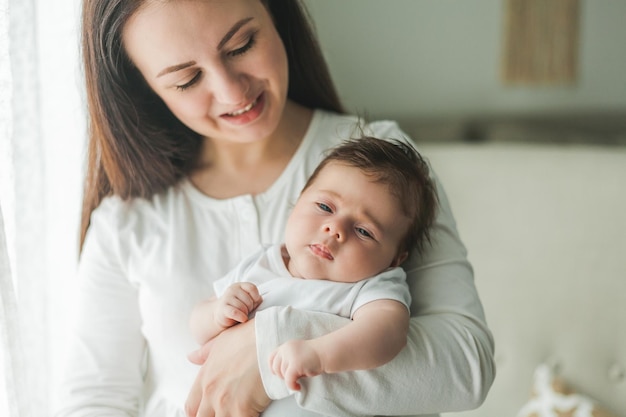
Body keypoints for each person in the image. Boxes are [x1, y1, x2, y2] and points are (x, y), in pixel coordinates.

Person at [55, 1, 496, 417]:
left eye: (241, 45)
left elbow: (466, 364)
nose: (232, 91)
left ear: (274, 12)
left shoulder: (385, 175)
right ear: (146, 89)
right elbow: (95, 399)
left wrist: (271, 357)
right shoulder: (127, 221)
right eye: (187, 79)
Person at [189, 137, 438, 399]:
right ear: (297, 201)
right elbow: (197, 325)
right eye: (324, 207)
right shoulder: (261, 263)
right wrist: (218, 312)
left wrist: (320, 354)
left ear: (394, 260)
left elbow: (387, 334)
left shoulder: (368, 287)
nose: (335, 229)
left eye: (364, 231)